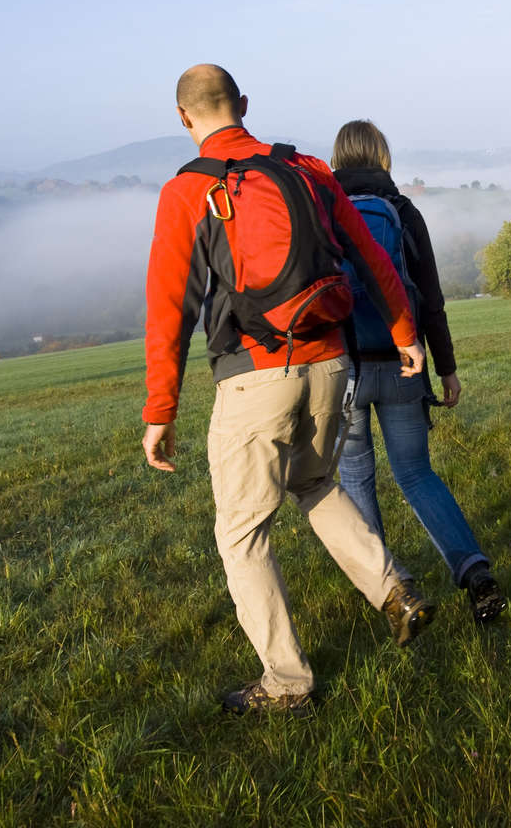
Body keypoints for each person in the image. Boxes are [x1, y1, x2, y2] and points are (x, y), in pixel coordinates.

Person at [140, 64, 435, 717]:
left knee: (242, 534)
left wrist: (160, 408)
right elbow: (373, 258)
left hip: (253, 375)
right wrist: (405, 334)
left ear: (184, 119)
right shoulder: (305, 168)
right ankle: (394, 593)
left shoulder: (187, 190)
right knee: (315, 482)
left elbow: (170, 307)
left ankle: (287, 683)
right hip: (332, 365)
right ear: (242, 105)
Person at [329, 120, 507, 623]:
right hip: (404, 362)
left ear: (337, 158)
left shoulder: (323, 212)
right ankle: (475, 572)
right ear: (383, 156)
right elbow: (430, 297)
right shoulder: (404, 213)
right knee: (415, 473)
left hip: (344, 369)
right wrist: (446, 368)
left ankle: (392, 593)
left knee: (356, 477)